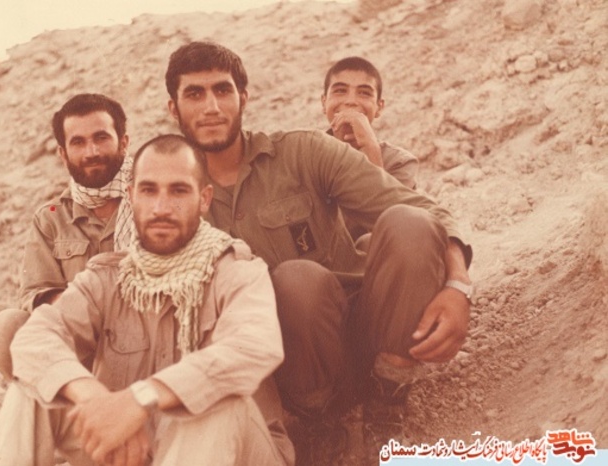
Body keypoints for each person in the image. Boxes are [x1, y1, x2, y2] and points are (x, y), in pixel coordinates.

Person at [164, 41, 473, 462]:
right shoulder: (171, 199)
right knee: (296, 280)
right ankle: (319, 422)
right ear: (173, 108)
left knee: (410, 222)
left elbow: (423, 209)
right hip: (290, 371)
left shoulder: (302, 152)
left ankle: (388, 401)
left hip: (368, 334)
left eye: (222, 90)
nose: (212, 106)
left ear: (244, 98)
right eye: (195, 94)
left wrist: (458, 285)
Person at [0, 134, 294, 466]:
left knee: (214, 404)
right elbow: (35, 338)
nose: (161, 208)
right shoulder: (109, 277)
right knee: (34, 388)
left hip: (234, 450)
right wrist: (95, 398)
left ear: (204, 199)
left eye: (178, 191)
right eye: (149, 191)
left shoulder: (237, 270)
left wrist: (141, 398)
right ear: (131, 196)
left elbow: (255, 347)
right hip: (136, 449)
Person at [0, 93, 133, 379]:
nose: (91, 152)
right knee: (7, 328)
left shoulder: (154, 197)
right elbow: (36, 293)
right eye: (78, 142)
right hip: (84, 347)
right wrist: (90, 308)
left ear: (123, 142)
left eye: (101, 138)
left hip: (150, 337)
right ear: (63, 154)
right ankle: (67, 399)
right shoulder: (51, 218)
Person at [321, 56, 419, 243]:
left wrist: (370, 147)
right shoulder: (306, 154)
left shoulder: (399, 163)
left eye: (364, 93)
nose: (351, 101)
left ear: (379, 107)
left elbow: (393, 229)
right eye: (340, 91)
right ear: (324, 103)